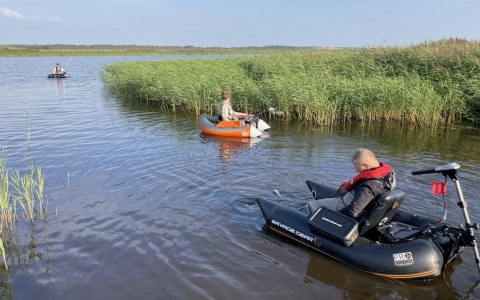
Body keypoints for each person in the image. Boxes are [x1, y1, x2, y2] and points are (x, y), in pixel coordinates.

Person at [304, 148, 396, 219]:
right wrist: (350, 183)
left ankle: (299, 224)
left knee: (311, 206)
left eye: (357, 167)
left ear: (366, 165)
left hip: (346, 205)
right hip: (362, 200)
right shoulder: (387, 175)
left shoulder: (368, 187)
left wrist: (328, 216)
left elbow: (353, 211)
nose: (356, 171)